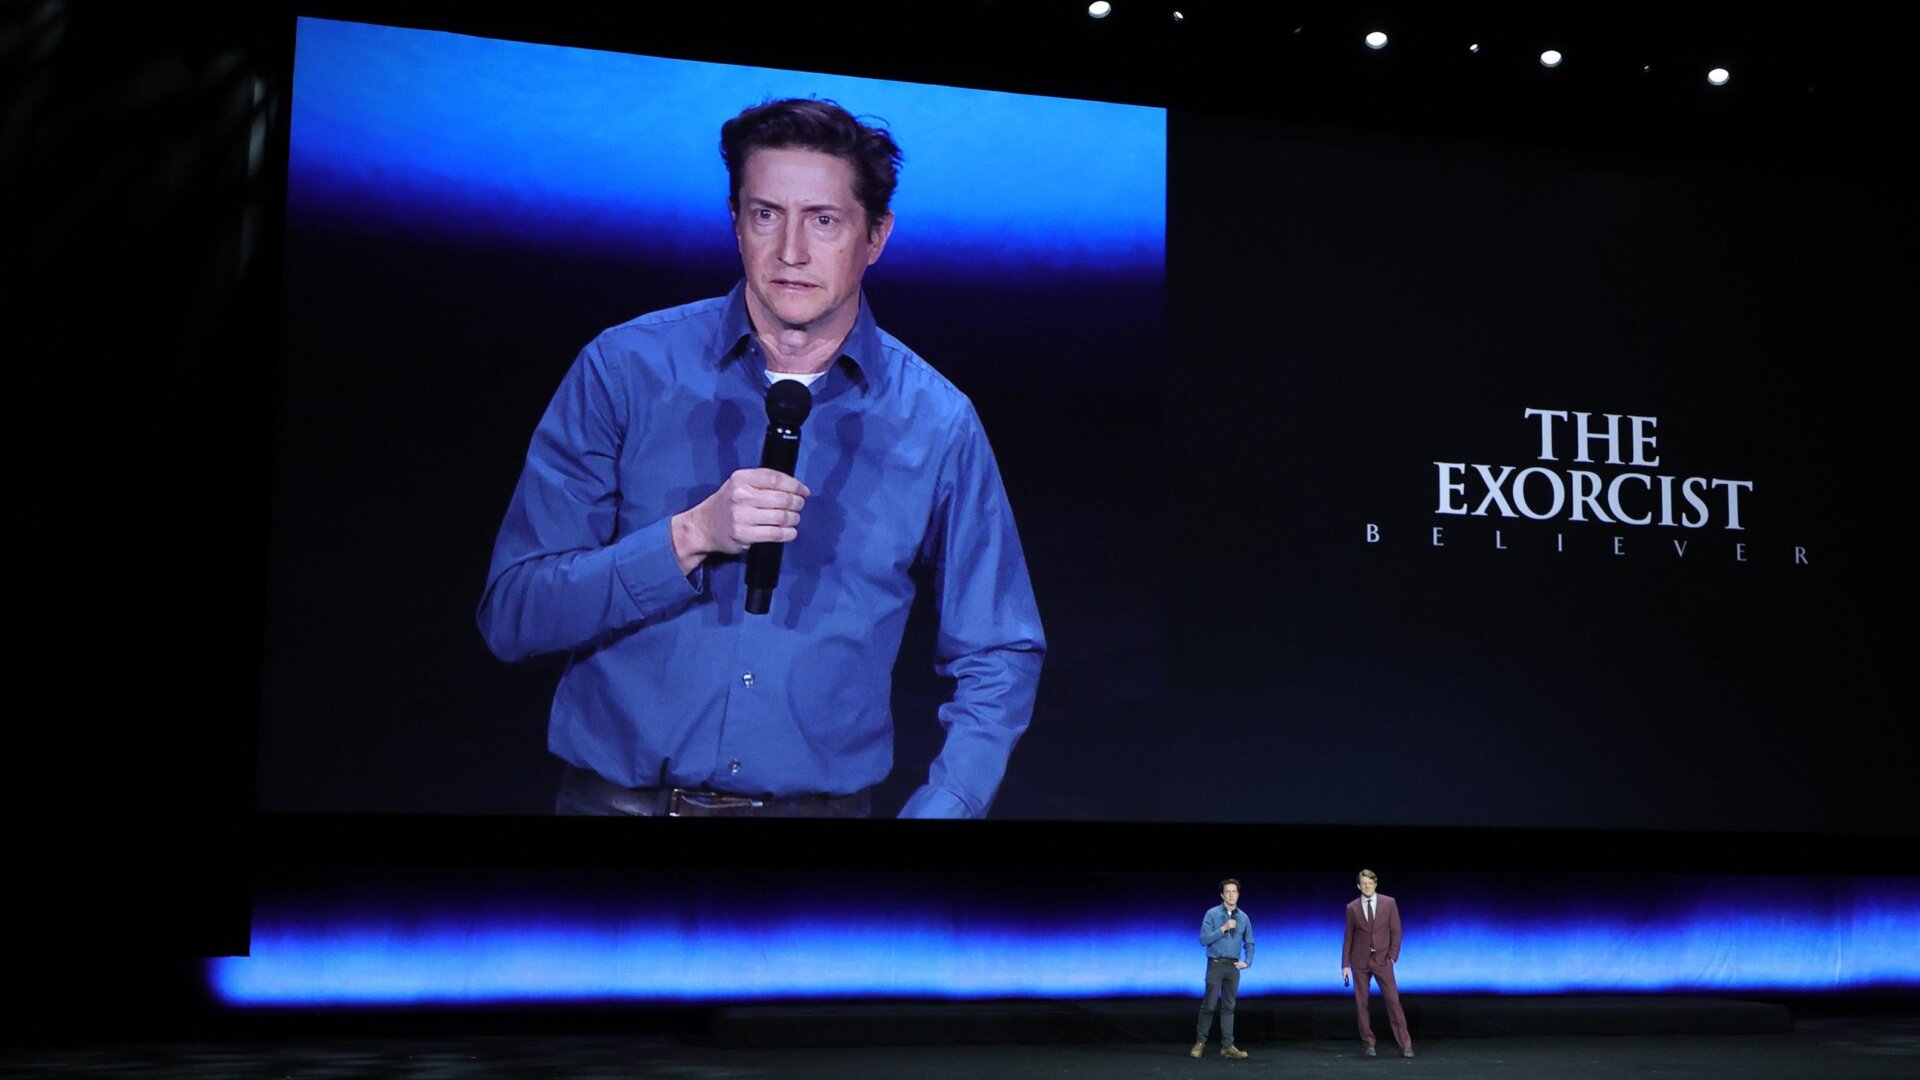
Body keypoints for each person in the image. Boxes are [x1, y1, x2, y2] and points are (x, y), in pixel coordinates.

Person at [476, 98, 1046, 818]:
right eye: (766, 215)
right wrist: (688, 538)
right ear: (736, 223)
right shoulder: (624, 371)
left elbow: (999, 651)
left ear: (875, 237)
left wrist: (948, 807)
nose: (792, 253)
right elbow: (514, 615)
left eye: (825, 220)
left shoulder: (935, 422)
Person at [1342, 868, 1413, 1058]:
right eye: (1363, 883)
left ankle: (1405, 1045)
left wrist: (1392, 955)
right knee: (1362, 1004)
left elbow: (1396, 931)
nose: (1367, 886)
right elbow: (1348, 937)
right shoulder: (1352, 908)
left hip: (1383, 960)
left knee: (1393, 1001)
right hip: (1360, 961)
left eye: (1370, 883)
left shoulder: (1389, 903)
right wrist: (1345, 965)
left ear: (1375, 884)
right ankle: (1368, 1043)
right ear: (1359, 886)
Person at [1192, 878, 1254, 1059]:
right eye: (1227, 892)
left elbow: (1250, 942)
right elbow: (1203, 939)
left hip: (1233, 967)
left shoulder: (1243, 918)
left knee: (1229, 1007)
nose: (1231, 895)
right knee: (1209, 1005)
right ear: (1222, 895)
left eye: (1234, 892)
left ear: (1238, 894)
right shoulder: (1212, 914)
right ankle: (1200, 1043)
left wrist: (1247, 961)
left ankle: (1227, 1046)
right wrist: (1223, 928)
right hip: (1216, 965)